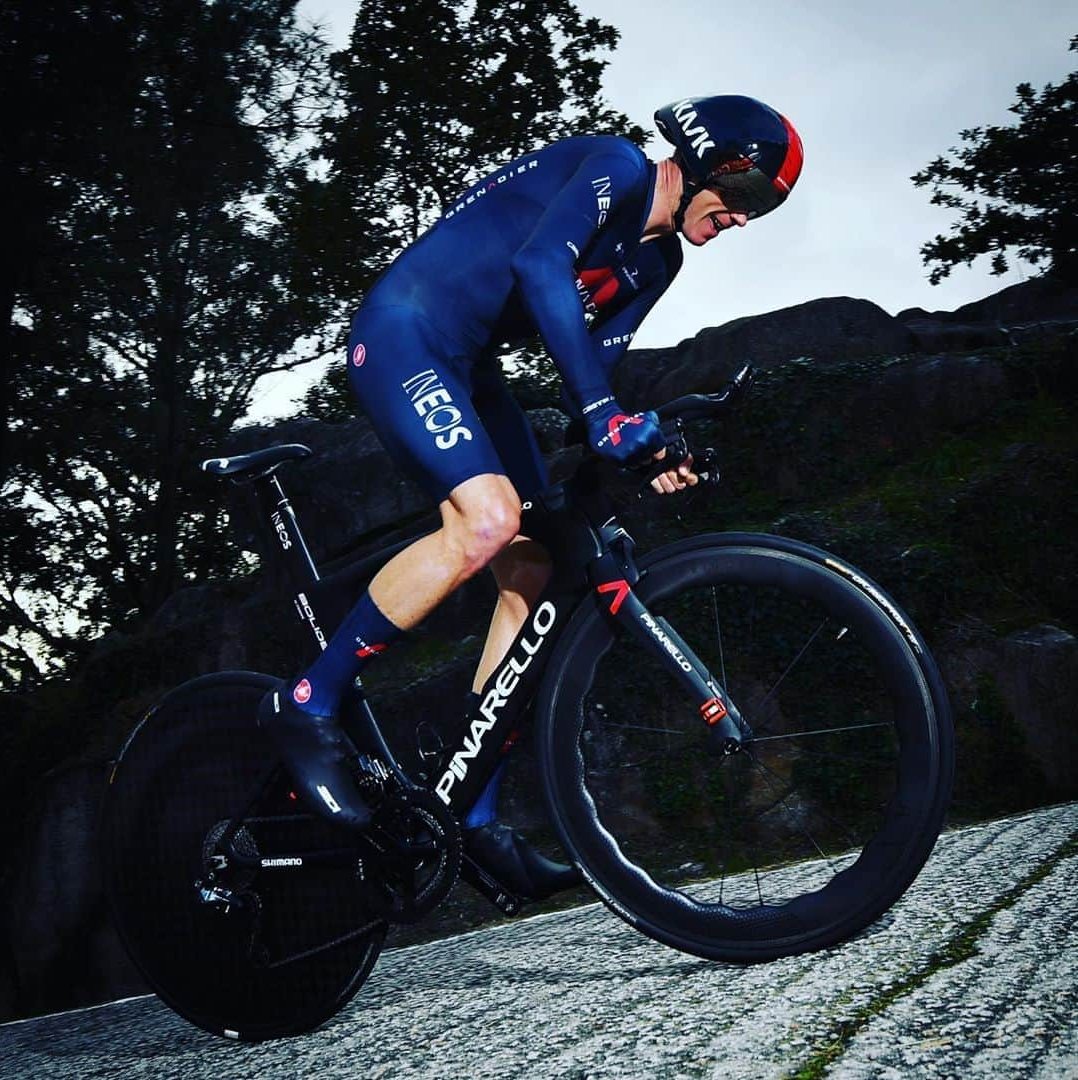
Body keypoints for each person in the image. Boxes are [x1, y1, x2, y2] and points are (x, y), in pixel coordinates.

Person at [259, 94, 804, 899]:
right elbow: (540, 264)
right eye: (747, 195)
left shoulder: (657, 263)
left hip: (470, 369)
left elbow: (593, 367)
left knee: (537, 567)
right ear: (703, 162)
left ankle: (471, 819)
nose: (744, 220)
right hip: (406, 331)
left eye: (761, 210)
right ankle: (309, 703)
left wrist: (645, 445)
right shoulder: (615, 167)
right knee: (488, 520)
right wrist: (600, 415)